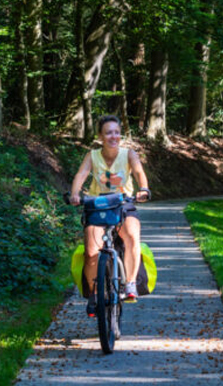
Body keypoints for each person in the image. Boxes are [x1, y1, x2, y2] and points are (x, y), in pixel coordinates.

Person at [69, 115, 151, 316]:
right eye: (108, 132)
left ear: (120, 134)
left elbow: (139, 172)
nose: (113, 136)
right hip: (97, 204)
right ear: (100, 136)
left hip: (123, 203)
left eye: (116, 132)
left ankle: (130, 284)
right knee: (91, 253)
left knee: (132, 237)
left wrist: (143, 189)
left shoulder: (128, 154)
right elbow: (81, 175)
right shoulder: (92, 155)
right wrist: (74, 194)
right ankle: (94, 295)